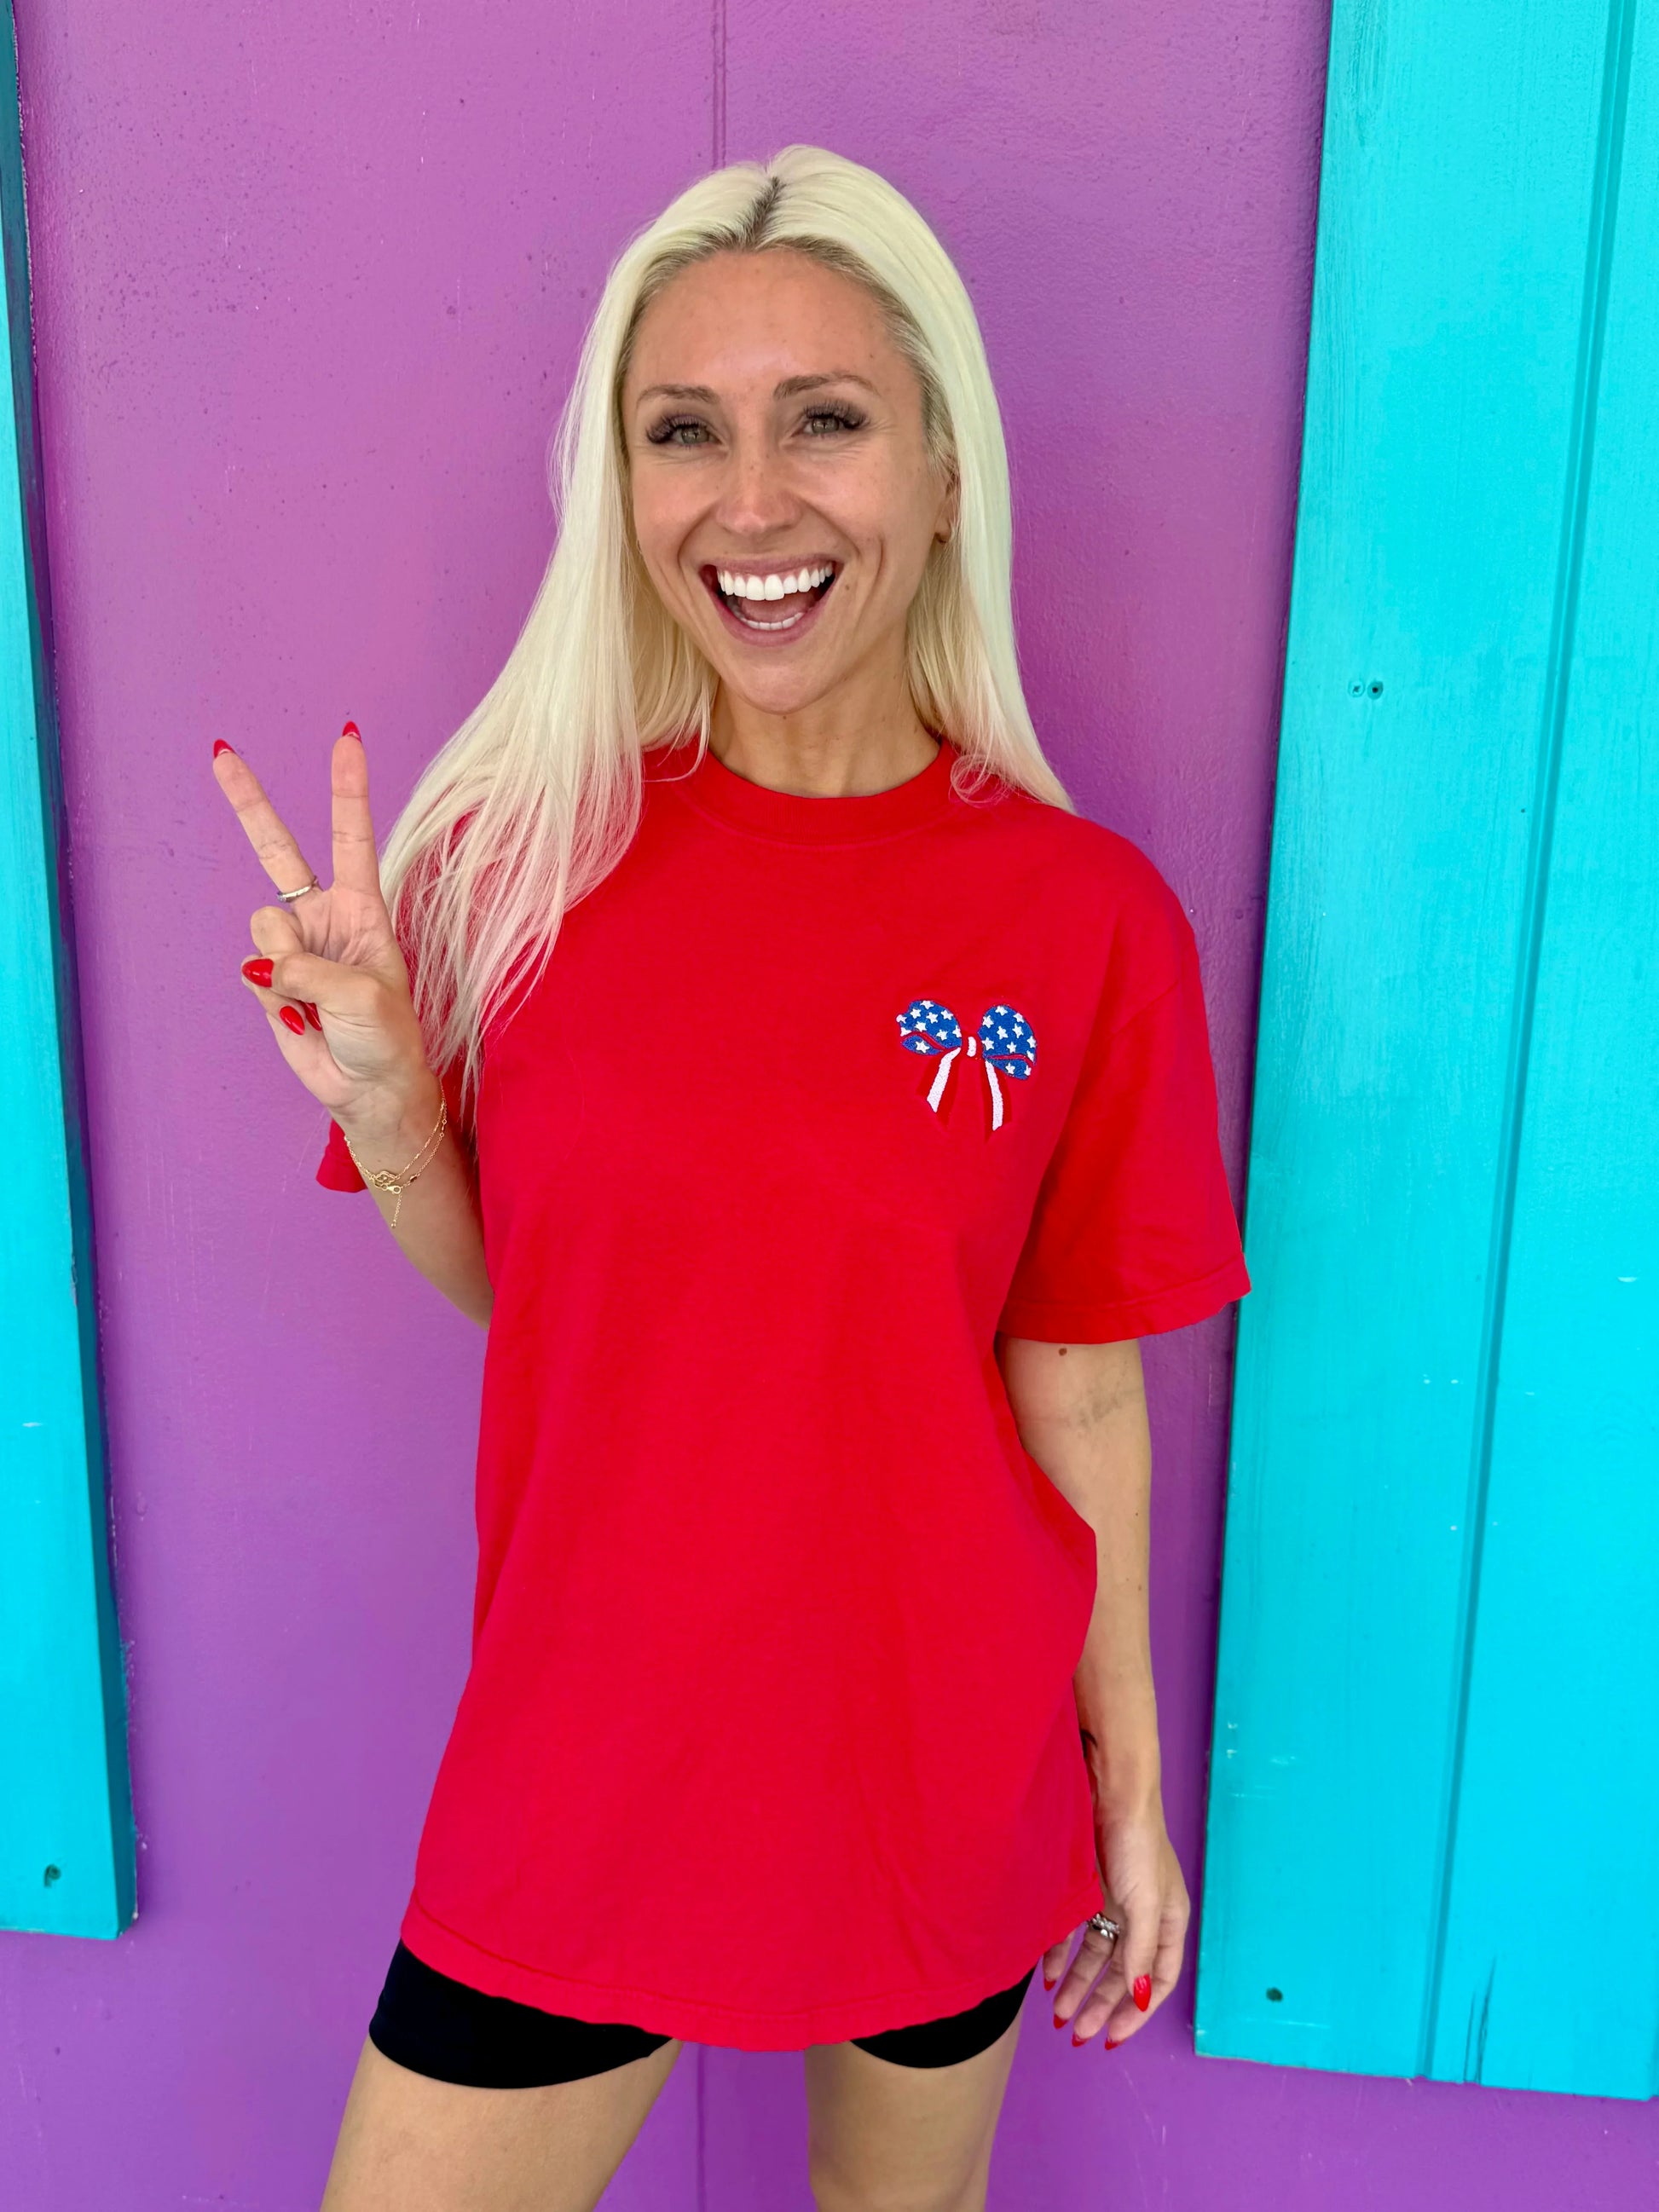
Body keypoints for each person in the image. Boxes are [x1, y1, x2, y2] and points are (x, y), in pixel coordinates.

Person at [214, 145, 1250, 2212]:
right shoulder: (512, 861)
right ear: (621, 487)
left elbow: (1075, 1379)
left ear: (941, 474)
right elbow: (550, 1292)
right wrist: (401, 1112)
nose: (750, 502)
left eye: (825, 421)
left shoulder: (1086, 920)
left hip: (937, 1757)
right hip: (589, 1752)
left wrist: (1126, 1788)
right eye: (682, 431)